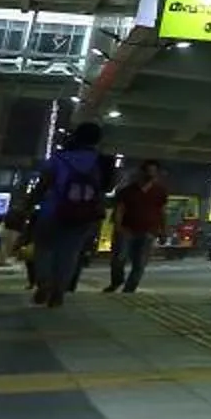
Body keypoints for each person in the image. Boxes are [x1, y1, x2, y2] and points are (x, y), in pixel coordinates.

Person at [30, 122, 114, 308]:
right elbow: (107, 188)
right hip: (83, 214)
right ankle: (59, 291)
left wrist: (27, 205)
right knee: (69, 253)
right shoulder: (102, 162)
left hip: (52, 210)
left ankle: (44, 282)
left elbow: (43, 184)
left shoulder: (59, 158)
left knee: (44, 248)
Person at [109, 161, 169, 293]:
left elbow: (162, 211)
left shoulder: (160, 191)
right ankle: (117, 281)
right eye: (148, 171)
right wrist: (118, 226)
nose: (150, 175)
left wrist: (163, 231)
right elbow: (120, 209)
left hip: (148, 231)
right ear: (141, 173)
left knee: (140, 262)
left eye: (153, 172)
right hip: (127, 229)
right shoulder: (127, 191)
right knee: (119, 258)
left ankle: (129, 289)